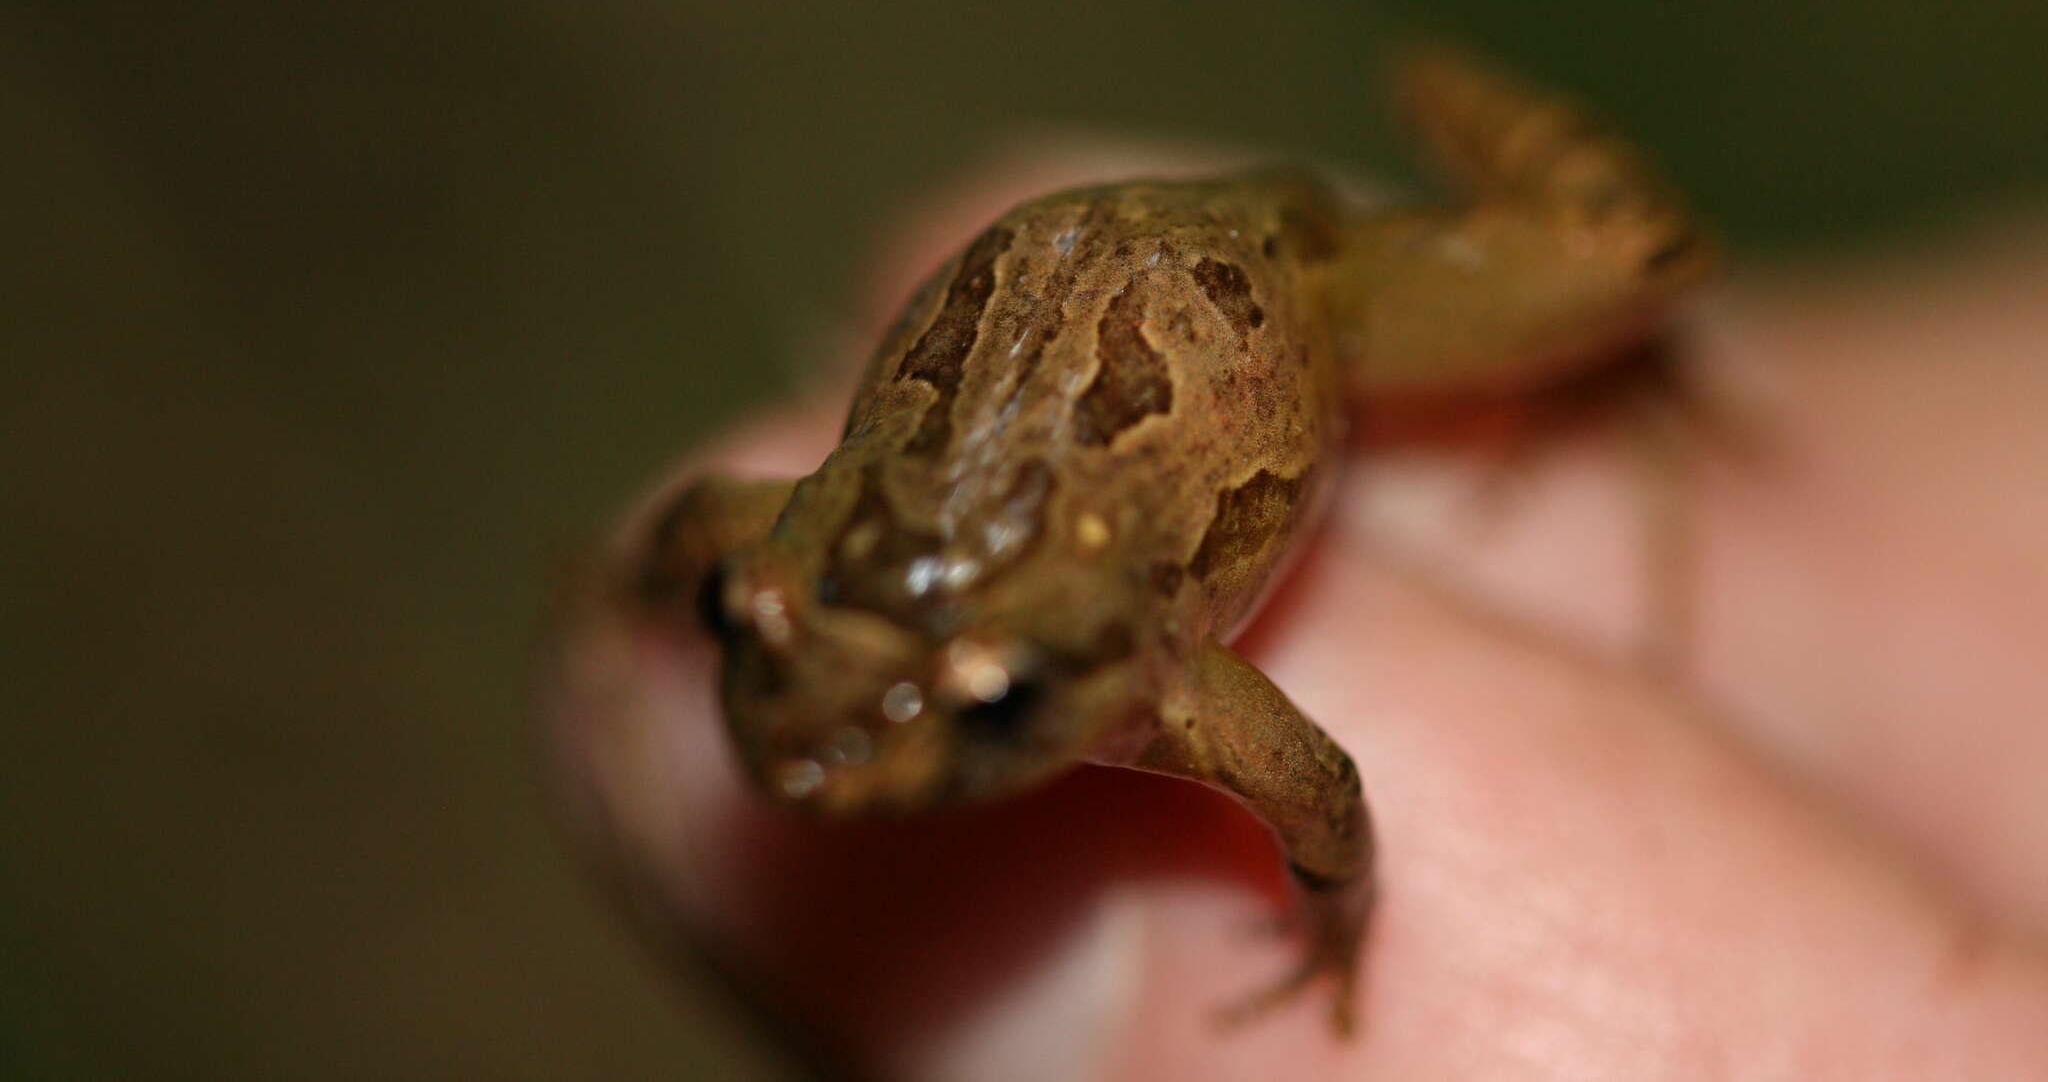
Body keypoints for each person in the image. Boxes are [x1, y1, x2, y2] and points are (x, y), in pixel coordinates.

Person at [548, 151, 2048, 1080]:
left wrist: (1336, 926)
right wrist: (651, 589)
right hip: (1078, 272)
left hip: (1289, 277)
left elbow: (1329, 799)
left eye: (993, 705)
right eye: (762, 637)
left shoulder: (1172, 693)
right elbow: (717, 525)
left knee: (1639, 254)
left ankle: (1615, 347)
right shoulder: (789, 546)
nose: (820, 754)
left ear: (1120, 667)